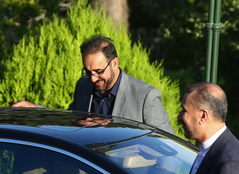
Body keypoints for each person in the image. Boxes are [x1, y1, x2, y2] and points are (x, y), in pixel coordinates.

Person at [12, 35, 174, 134]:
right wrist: (35, 110)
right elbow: (68, 120)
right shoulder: (83, 85)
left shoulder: (145, 96)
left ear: (115, 63)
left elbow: (168, 146)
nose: (93, 78)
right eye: (88, 72)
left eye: (99, 71)